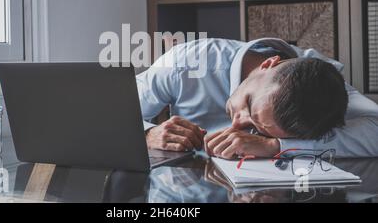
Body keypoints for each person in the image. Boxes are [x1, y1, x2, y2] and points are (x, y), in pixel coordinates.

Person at [136, 38, 378, 159]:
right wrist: (147, 134)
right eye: (249, 104)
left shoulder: (324, 88)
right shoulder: (186, 63)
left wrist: (276, 146)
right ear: (268, 63)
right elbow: (109, 112)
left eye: (260, 129)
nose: (237, 124)